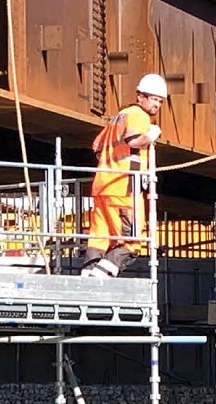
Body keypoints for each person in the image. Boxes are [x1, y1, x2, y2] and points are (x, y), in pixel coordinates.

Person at [82, 73, 166, 278]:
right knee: (132, 244)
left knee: (100, 238)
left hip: (103, 186)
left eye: (160, 101)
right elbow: (133, 141)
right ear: (140, 97)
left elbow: (97, 147)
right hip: (124, 189)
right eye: (153, 99)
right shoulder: (139, 116)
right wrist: (150, 136)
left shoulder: (118, 117)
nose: (156, 105)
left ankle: (86, 278)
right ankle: (99, 280)